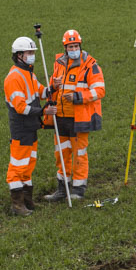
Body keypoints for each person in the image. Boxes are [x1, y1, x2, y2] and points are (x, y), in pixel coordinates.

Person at [42, 30, 105, 202]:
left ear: (80, 46)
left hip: (80, 118)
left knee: (79, 154)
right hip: (60, 117)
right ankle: (62, 189)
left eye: (76, 45)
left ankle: (78, 190)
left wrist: (78, 97)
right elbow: (53, 88)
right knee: (61, 154)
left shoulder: (91, 65)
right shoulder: (59, 64)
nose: (74, 49)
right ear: (65, 48)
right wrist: (53, 86)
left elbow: (100, 90)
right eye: (70, 46)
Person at [5, 37, 57, 216]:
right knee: (18, 166)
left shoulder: (29, 74)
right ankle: (17, 205)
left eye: (33, 53)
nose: (32, 56)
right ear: (19, 55)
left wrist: (53, 88)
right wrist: (43, 111)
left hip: (32, 126)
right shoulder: (13, 78)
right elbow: (20, 107)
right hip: (21, 128)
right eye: (29, 53)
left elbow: (41, 92)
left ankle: (27, 201)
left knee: (28, 165)